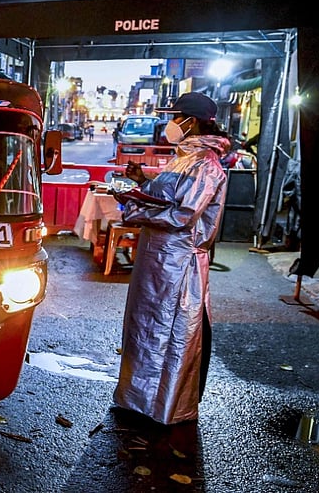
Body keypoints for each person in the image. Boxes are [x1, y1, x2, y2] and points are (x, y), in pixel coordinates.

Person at [111, 92, 229, 425]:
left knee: (171, 333)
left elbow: (183, 215)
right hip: (156, 260)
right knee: (145, 329)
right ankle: (138, 399)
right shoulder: (184, 157)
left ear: (191, 122)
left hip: (179, 264)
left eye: (176, 117)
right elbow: (168, 197)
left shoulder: (206, 163)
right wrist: (141, 184)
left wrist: (134, 208)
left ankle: (165, 408)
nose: (171, 124)